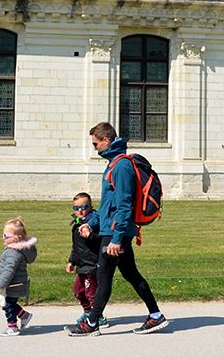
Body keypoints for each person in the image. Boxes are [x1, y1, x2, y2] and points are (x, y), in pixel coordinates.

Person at [67, 122, 167, 337]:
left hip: (115, 233)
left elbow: (124, 205)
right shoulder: (113, 163)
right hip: (110, 230)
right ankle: (156, 315)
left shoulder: (121, 166)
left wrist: (116, 239)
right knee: (131, 274)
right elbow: (107, 206)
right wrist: (91, 224)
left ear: (106, 140)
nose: (94, 148)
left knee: (104, 276)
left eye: (95, 143)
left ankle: (92, 322)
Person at [0, 216, 38, 337]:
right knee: (8, 303)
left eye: (6, 236)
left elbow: (9, 271)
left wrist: (0, 285)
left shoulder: (13, 253)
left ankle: (13, 327)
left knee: (8, 305)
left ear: (16, 238)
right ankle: (25, 315)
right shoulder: (13, 250)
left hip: (13, 285)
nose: (3, 238)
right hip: (13, 284)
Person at [67, 192, 106, 325]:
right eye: (76, 208)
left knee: (91, 293)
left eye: (84, 207)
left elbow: (100, 240)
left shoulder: (94, 223)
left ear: (90, 206)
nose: (80, 210)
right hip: (81, 265)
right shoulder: (76, 225)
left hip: (92, 264)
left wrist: (89, 235)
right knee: (78, 291)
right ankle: (88, 312)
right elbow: (76, 247)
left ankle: (98, 316)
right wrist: (71, 261)